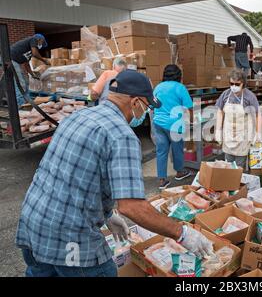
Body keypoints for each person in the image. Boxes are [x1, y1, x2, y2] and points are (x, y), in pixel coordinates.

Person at [16, 70, 212, 277]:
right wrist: (181, 234)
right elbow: (132, 207)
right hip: (70, 240)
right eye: (147, 107)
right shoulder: (121, 135)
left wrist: (108, 215)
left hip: (33, 224)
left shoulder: (79, 116)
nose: (146, 113)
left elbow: (76, 175)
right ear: (135, 102)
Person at [152, 65, 193, 190]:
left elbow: (153, 104)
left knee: (161, 151)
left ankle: (162, 180)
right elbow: (189, 106)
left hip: (158, 123)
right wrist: (191, 121)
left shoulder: (158, 87)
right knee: (177, 149)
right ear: (178, 76)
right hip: (174, 124)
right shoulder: (180, 88)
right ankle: (179, 172)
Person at [215, 69, 262, 169]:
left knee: (239, 167)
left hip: (243, 136)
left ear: (243, 84)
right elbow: (220, 111)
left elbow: (258, 114)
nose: (234, 87)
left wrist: (258, 132)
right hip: (228, 134)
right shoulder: (225, 95)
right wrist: (218, 130)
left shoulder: (250, 97)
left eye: (237, 84)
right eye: (231, 83)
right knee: (228, 165)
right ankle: (229, 183)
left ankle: (238, 182)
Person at [10, 34, 49, 107]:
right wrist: (44, 60)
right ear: (39, 40)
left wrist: (32, 74)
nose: (41, 46)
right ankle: (20, 104)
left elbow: (26, 64)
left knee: (26, 81)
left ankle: (27, 100)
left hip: (16, 62)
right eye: (42, 43)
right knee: (20, 82)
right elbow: (35, 53)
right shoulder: (33, 39)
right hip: (10, 59)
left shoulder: (29, 51)